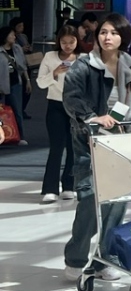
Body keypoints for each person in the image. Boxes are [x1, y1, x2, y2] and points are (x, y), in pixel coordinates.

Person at [62, 13, 131, 279]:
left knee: (118, 200)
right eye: (103, 32)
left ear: (124, 37)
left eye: (114, 33)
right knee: (90, 198)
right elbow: (72, 97)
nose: (107, 37)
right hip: (90, 140)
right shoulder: (84, 65)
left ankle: (105, 258)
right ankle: (75, 257)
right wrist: (92, 117)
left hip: (122, 140)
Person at [38, 25, 79, 202]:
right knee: (56, 147)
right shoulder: (50, 56)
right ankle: (50, 188)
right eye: (64, 42)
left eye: (71, 42)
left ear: (77, 41)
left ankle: (69, 185)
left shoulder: (83, 59)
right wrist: (55, 73)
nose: (67, 46)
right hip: (55, 105)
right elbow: (41, 82)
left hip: (76, 107)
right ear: (58, 42)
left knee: (73, 148)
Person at [0, 26, 30, 143]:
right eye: (11, 34)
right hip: (1, 84)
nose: (14, 36)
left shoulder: (17, 48)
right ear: (5, 36)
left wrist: (27, 80)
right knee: (2, 111)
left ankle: (20, 136)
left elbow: (23, 66)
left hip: (15, 83)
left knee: (17, 110)